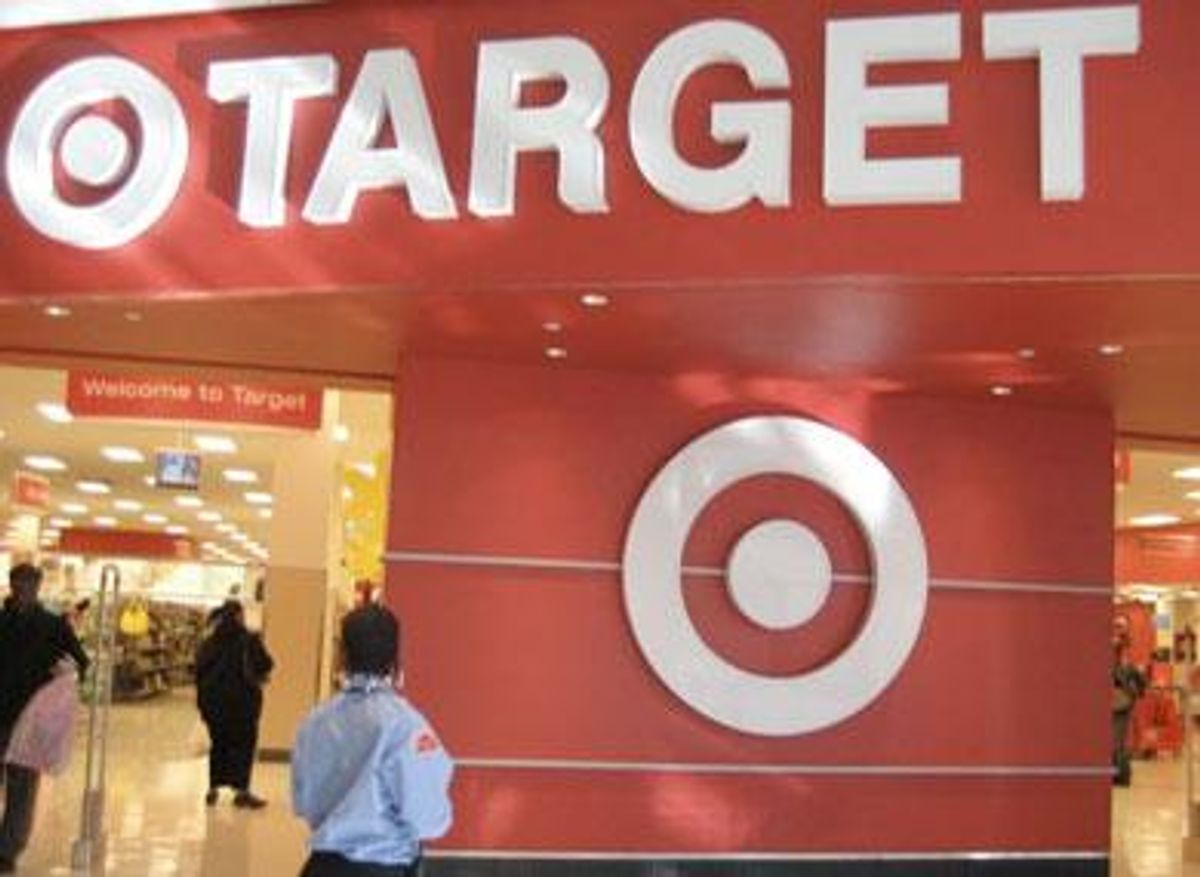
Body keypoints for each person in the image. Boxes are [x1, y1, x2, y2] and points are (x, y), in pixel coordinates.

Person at [292, 605, 454, 877]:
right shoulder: (406, 725)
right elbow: (429, 818)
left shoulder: (315, 722)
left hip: (323, 867)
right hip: (384, 866)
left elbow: (304, 804)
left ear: (342, 655)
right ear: (395, 659)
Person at [0, 563, 90, 874]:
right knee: (21, 787)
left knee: (22, 788)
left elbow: (81, 661)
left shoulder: (53, 625)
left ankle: (7, 851)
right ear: (12, 586)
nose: (24, 590)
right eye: (19, 584)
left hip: (31, 719)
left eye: (29, 584)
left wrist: (58, 684)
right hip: (6, 715)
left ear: (37, 587)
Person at [195, 600, 274, 809]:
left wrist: (203, 703)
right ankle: (241, 791)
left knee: (219, 745)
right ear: (239, 616)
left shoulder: (209, 642)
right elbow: (266, 663)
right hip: (243, 704)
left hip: (214, 705)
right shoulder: (249, 639)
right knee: (243, 746)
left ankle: (213, 788)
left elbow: (198, 671)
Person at [1113, 616, 1146, 787]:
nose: (1118, 629)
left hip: (1121, 702)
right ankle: (1117, 774)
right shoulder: (1112, 646)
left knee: (1119, 740)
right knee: (1115, 740)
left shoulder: (1129, 651)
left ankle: (1121, 776)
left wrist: (1135, 693)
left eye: (1121, 626)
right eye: (1116, 626)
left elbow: (1139, 677)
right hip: (1115, 700)